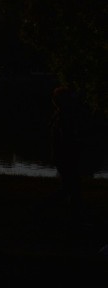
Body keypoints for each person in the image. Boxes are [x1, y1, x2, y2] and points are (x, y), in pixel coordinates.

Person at [48, 86, 92, 218]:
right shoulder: (63, 118)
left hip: (63, 157)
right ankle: (43, 208)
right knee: (71, 187)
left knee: (71, 186)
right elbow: (67, 139)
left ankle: (74, 213)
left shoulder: (59, 116)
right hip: (66, 157)